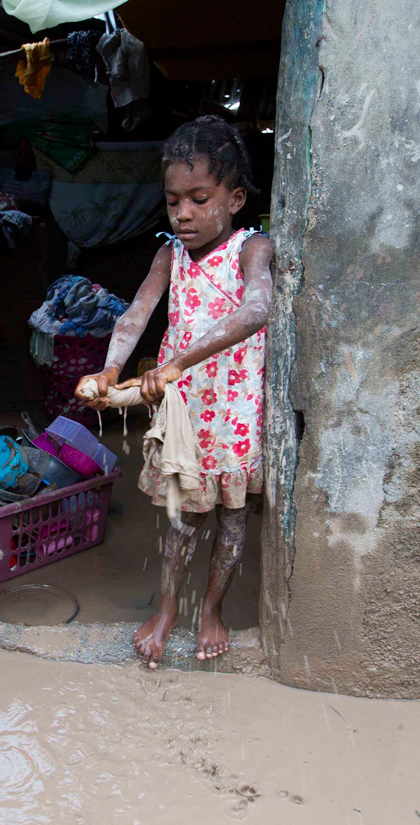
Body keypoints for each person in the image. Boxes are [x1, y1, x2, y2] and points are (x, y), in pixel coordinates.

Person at [75, 115, 274, 669]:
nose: (183, 213)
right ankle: (167, 609)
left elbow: (257, 309)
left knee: (232, 524)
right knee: (182, 520)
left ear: (234, 199)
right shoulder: (170, 256)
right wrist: (110, 374)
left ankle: (211, 609)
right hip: (187, 417)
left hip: (234, 416)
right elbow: (134, 317)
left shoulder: (252, 249)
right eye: (172, 201)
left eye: (199, 198)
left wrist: (179, 361)